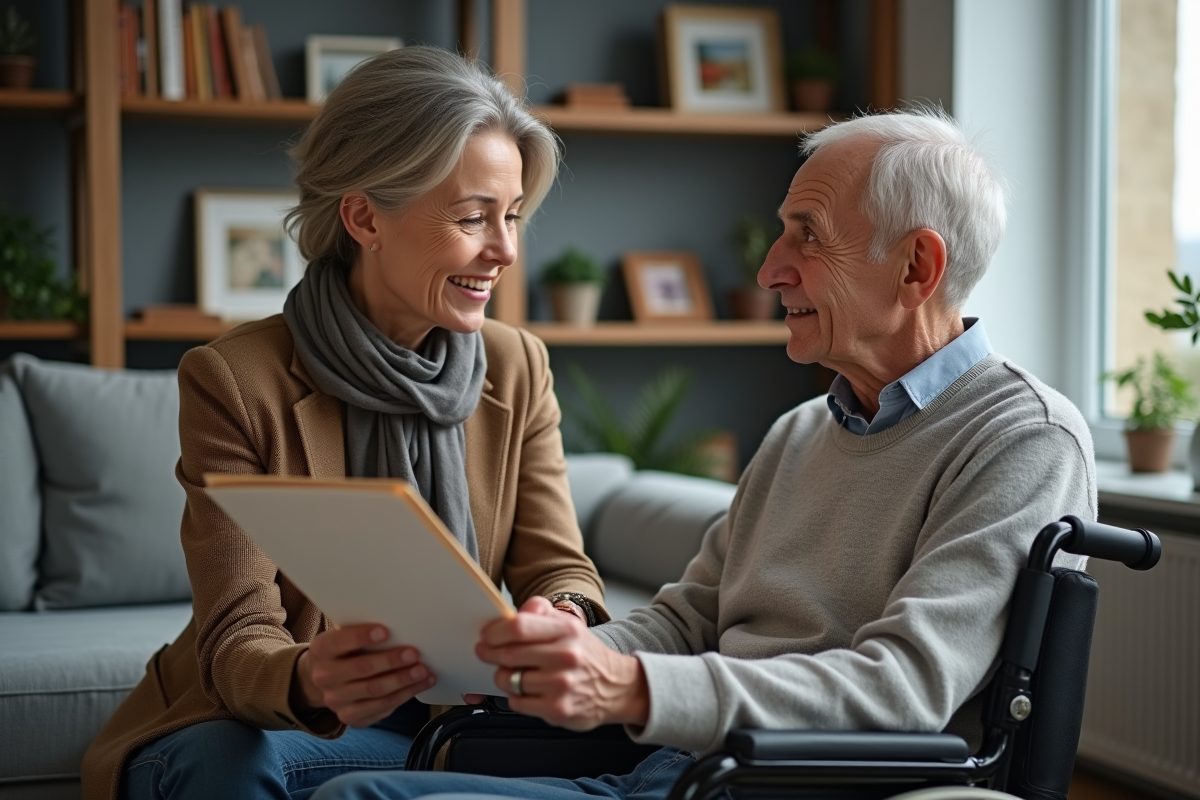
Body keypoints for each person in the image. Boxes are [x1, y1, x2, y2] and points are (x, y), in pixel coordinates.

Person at [308, 109, 1097, 800]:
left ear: (917, 267)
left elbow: (904, 688)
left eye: (807, 236)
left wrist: (627, 686)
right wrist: (568, 653)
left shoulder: (1023, 440)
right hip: (674, 771)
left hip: (783, 785)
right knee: (354, 789)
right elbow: (690, 619)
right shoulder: (800, 432)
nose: (768, 270)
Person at [81, 46, 609, 800]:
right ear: (364, 216)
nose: (506, 251)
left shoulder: (517, 365)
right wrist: (307, 675)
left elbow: (559, 565)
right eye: (472, 218)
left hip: (460, 716)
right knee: (228, 766)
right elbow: (236, 635)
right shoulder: (236, 378)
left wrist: (558, 613)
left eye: (514, 217)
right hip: (286, 720)